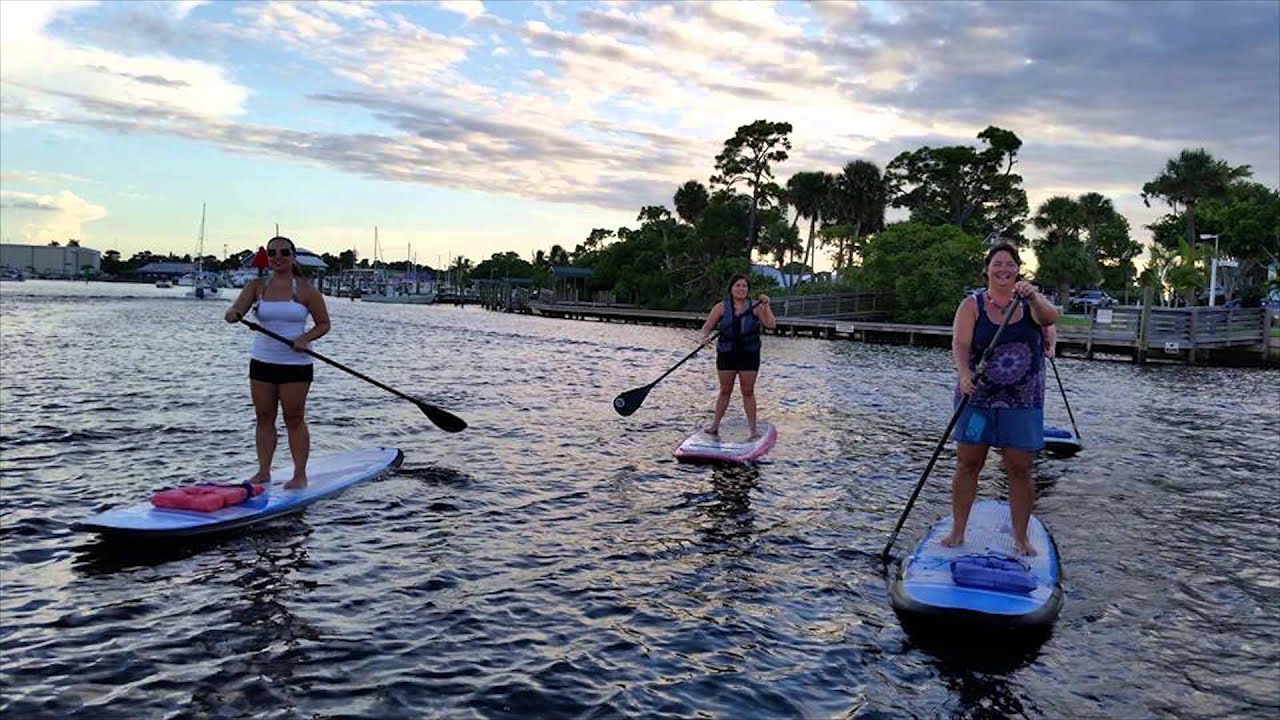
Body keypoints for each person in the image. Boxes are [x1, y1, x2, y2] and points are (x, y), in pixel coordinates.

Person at [943, 243, 1059, 556]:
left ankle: (1021, 537)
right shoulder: (972, 305)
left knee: (1019, 467)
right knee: (969, 462)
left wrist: (1033, 295)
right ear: (987, 269)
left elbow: (1050, 319)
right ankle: (958, 530)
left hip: (1023, 399)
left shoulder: (1030, 302)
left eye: (1010, 264)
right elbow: (960, 344)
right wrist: (965, 374)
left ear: (1019, 269)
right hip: (977, 397)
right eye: (997, 264)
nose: (1003, 270)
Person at [223, 236, 331, 490]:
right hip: (263, 361)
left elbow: (324, 324)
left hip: (296, 364)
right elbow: (236, 309)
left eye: (284, 252)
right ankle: (263, 472)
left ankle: (300, 475)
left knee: (293, 418)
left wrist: (304, 338)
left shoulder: (305, 289)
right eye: (272, 253)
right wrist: (233, 314)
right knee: (263, 416)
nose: (277, 257)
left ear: (293, 256)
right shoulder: (257, 286)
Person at [698, 274, 777, 438]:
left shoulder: (756, 307)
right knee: (725, 390)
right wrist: (704, 337)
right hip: (727, 352)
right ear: (731, 288)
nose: (741, 289)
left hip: (749, 353)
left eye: (744, 286)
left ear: (748, 290)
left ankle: (753, 430)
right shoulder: (720, 307)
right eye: (738, 286)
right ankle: (715, 426)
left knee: (748, 391)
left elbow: (771, 325)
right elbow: (707, 327)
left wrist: (766, 306)